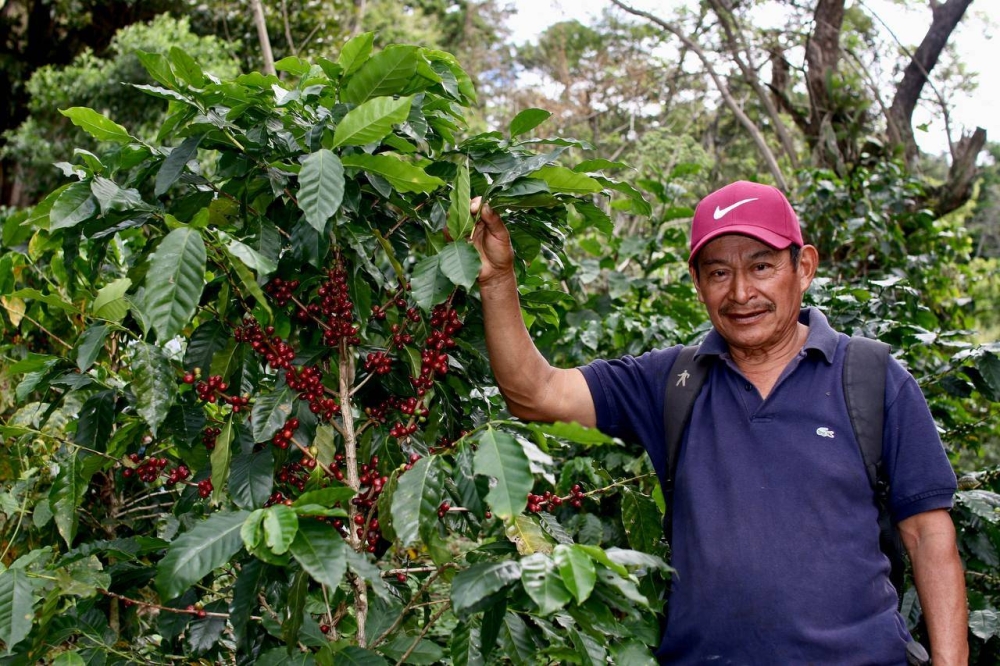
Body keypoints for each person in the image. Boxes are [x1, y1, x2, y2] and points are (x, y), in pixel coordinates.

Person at [470, 180, 968, 665]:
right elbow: (535, 393)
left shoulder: (872, 378)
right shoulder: (671, 380)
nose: (742, 292)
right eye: (719, 273)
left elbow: (928, 535)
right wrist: (496, 280)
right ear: (697, 283)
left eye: (762, 265)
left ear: (805, 266)